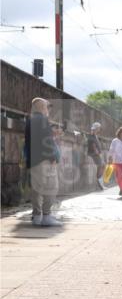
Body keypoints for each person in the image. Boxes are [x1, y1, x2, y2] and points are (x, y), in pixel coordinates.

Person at [24, 97, 61, 226]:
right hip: (44, 160)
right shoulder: (42, 119)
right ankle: (46, 216)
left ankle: (36, 216)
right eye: (47, 106)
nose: (48, 109)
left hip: (34, 160)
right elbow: (46, 140)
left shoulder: (30, 120)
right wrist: (53, 157)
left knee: (37, 188)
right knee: (51, 187)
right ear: (41, 107)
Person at [87, 122, 104, 190]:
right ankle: (99, 183)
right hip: (94, 153)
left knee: (102, 166)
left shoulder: (95, 135)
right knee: (101, 166)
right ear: (96, 128)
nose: (99, 129)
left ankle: (100, 182)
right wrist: (96, 150)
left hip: (96, 153)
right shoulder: (92, 134)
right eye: (98, 128)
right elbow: (92, 142)